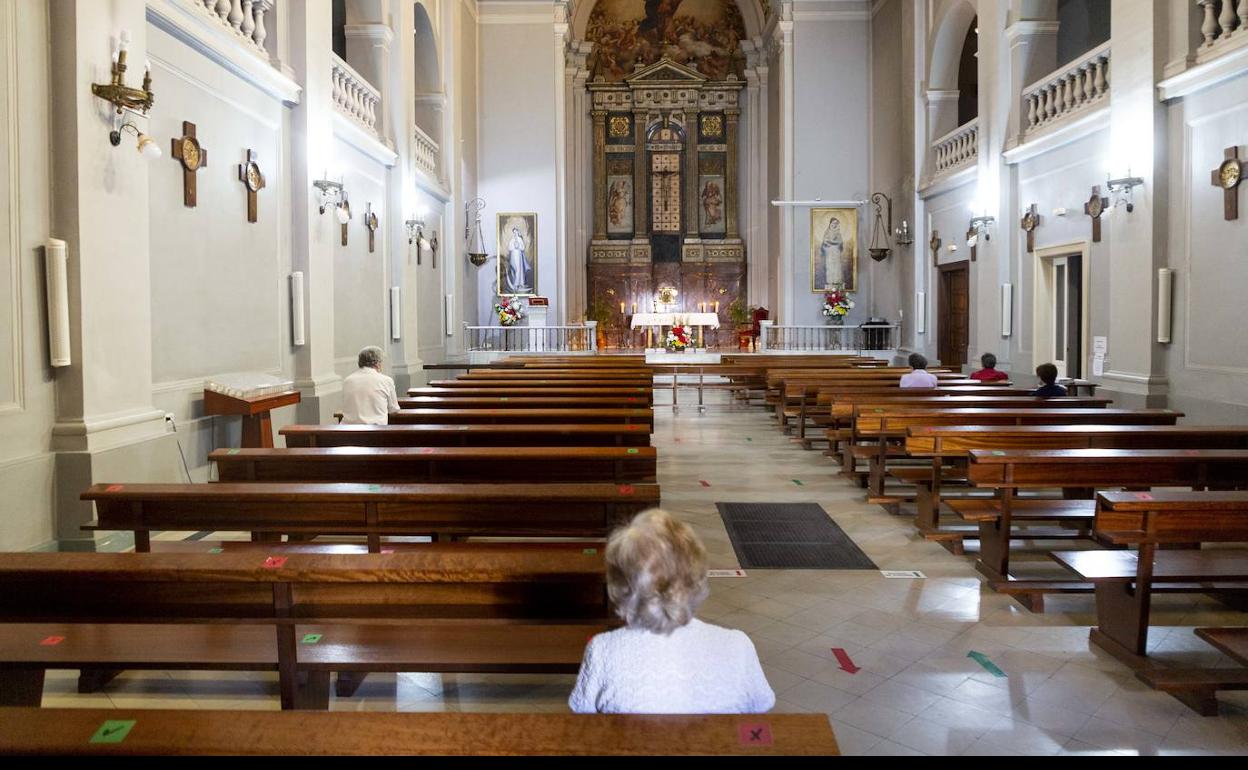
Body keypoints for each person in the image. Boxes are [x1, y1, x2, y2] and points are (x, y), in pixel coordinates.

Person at [568, 509, 775, 714]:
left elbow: (582, 709)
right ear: (696, 578)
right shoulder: (738, 646)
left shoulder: (602, 650)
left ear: (621, 587)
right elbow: (762, 703)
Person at [340, 345, 399, 425]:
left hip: (348, 431)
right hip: (375, 432)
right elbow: (393, 410)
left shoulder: (347, 381)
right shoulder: (386, 380)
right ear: (377, 363)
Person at [818, 216, 845, 290]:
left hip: (836, 252)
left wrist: (832, 243)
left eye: (836, 223)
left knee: (837, 267)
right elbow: (824, 242)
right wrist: (831, 243)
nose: (835, 225)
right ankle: (830, 282)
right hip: (829, 252)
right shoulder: (827, 232)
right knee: (830, 266)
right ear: (830, 223)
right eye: (833, 223)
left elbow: (840, 242)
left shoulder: (838, 233)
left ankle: (837, 282)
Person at [506, 227, 531, 294]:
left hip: (519, 256)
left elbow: (522, 248)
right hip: (514, 255)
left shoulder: (520, 239)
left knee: (519, 269)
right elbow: (510, 248)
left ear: (517, 232)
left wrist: (518, 246)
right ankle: (515, 283)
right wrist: (514, 246)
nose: (515, 233)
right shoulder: (512, 240)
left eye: (516, 232)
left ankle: (520, 283)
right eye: (514, 232)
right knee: (515, 268)